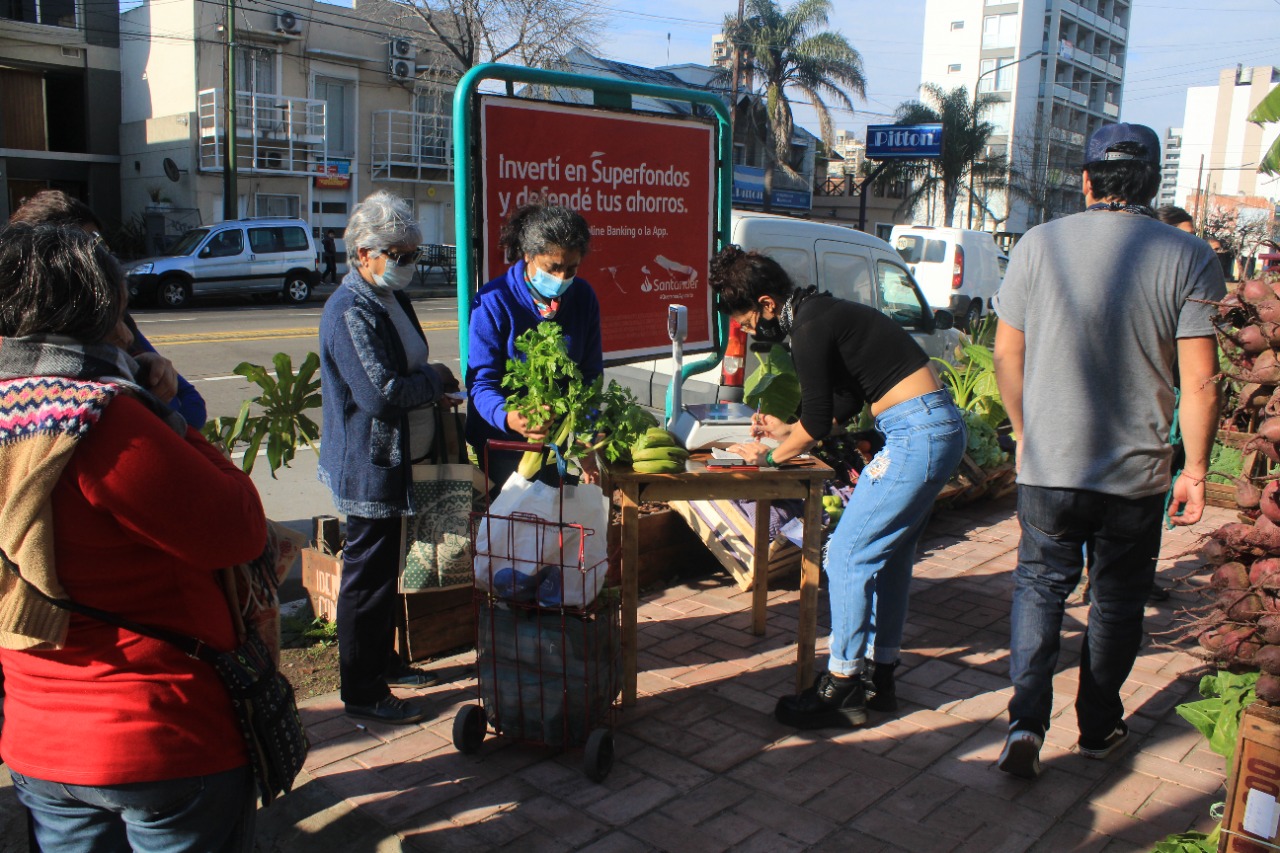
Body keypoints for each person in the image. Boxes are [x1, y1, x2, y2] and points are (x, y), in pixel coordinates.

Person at [0, 222, 266, 851]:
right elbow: (237, 527)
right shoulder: (101, 419)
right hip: (154, 731)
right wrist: (176, 423)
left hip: (39, 729)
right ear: (100, 309)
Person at [992, 123, 1224, 779]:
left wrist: (1025, 430)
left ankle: (1025, 723)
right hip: (1137, 472)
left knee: (1039, 589)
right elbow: (1200, 381)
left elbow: (1009, 354)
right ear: (1151, 185)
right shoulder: (1188, 255)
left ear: (1087, 180)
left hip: (1050, 466)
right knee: (1117, 601)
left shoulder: (1037, 246)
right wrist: (1198, 470)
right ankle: (1097, 728)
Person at [713, 246, 967, 729]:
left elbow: (816, 421)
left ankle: (842, 684)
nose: (749, 332)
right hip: (933, 428)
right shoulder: (822, 314)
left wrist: (766, 458)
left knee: (845, 555)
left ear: (767, 305)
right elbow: (839, 407)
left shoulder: (807, 327)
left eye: (747, 322)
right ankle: (879, 676)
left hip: (916, 434)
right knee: (887, 558)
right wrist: (782, 432)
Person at [318, 190, 457, 725]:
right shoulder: (350, 309)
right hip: (371, 465)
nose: (406, 265)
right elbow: (379, 393)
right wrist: (435, 379)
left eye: (411, 255)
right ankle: (362, 688)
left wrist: (428, 386)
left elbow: (406, 370)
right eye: (396, 256)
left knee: (386, 571)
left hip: (401, 459)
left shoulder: (389, 297)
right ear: (363, 255)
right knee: (367, 577)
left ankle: (386, 662)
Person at [7, 189, 207, 428]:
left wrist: (142, 366)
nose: (99, 264)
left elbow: (191, 408)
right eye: (85, 254)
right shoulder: (22, 360)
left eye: (100, 247)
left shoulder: (115, 322)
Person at [465, 203, 603, 491]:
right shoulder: (494, 301)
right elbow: (482, 382)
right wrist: (509, 417)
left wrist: (586, 440)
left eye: (571, 268)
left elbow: (590, 376)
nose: (562, 278)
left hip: (555, 443)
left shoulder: (583, 298)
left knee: (549, 524)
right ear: (528, 255)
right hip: (500, 442)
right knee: (513, 525)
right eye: (553, 268)